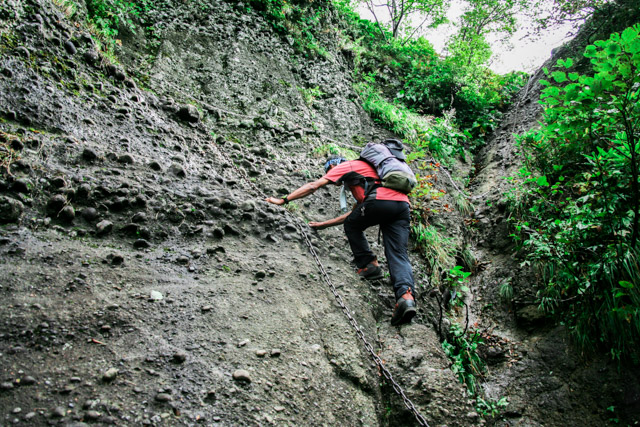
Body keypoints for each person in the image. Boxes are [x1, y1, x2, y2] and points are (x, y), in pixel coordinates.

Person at [265, 155, 417, 326]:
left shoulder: (348, 165)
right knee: (398, 254)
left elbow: (313, 186)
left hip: (379, 202)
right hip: (401, 206)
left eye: (328, 169)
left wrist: (283, 200)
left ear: (334, 165)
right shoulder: (366, 178)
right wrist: (323, 224)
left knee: (353, 226)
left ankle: (369, 265)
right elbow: (354, 215)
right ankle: (406, 298)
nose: (330, 175)